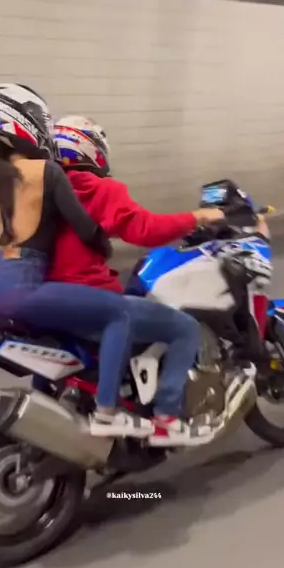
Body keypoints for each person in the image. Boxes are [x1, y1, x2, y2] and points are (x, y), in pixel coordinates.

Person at [50, 115, 256, 447]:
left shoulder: (45, 190)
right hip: (89, 298)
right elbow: (144, 229)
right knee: (184, 328)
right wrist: (199, 216)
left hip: (47, 299)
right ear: (89, 149)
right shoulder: (98, 189)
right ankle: (166, 418)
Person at [0, 82, 155, 439]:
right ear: (24, 120)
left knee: (51, 334)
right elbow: (84, 228)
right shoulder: (47, 171)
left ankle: (47, 407)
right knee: (119, 314)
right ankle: (107, 411)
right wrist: (104, 245)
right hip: (18, 284)